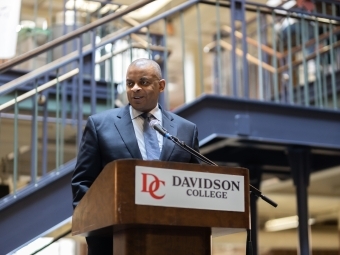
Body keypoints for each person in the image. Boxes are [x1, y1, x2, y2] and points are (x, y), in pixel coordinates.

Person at [71, 58, 200, 255]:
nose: (135, 89)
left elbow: (195, 184)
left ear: (161, 85)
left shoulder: (185, 130)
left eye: (144, 82)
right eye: (130, 84)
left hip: (174, 240)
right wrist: (95, 223)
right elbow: (83, 182)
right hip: (112, 240)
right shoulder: (100, 125)